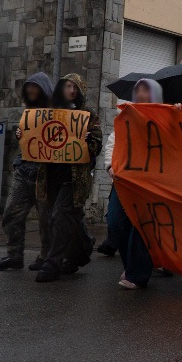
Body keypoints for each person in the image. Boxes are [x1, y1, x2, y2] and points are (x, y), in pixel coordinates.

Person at [35, 73, 103, 283]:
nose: (71, 91)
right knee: (65, 218)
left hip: (74, 178)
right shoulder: (50, 113)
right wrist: (23, 135)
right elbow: (37, 137)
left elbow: (97, 145)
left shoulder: (88, 115)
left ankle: (51, 264)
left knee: (60, 216)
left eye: (75, 87)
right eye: (67, 86)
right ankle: (83, 248)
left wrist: (90, 140)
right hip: (52, 174)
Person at [0, 72, 54, 271]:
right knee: (11, 213)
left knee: (46, 219)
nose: (31, 91)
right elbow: (28, 141)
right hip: (24, 169)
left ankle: (46, 257)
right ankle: (14, 255)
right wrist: (20, 134)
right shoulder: (28, 113)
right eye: (28, 88)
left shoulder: (55, 112)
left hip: (44, 173)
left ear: (44, 90)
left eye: (35, 87)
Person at [104, 79, 163, 290]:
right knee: (116, 223)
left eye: (146, 91)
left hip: (149, 184)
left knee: (142, 228)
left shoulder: (164, 117)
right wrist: (110, 165)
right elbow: (113, 142)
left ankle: (137, 274)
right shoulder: (125, 116)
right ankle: (130, 266)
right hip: (123, 181)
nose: (141, 94)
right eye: (138, 90)